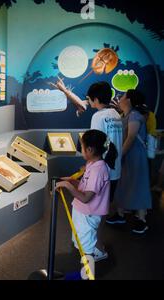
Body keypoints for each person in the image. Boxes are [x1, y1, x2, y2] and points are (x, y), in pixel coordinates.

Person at [57, 130, 118, 262]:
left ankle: (89, 266)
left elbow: (86, 198)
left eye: (82, 147)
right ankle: (95, 253)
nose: (82, 150)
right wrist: (71, 181)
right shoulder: (93, 164)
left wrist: (68, 186)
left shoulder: (98, 169)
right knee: (85, 239)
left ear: (89, 149)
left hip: (89, 213)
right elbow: (87, 185)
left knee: (86, 246)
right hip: (85, 212)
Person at [106, 89, 152, 234]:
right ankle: (120, 214)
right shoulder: (125, 115)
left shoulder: (134, 116)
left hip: (135, 156)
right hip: (127, 155)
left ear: (129, 100)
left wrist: (119, 156)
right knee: (123, 183)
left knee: (138, 184)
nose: (120, 98)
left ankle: (141, 219)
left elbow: (131, 138)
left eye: (123, 96)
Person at [87, 82, 123, 202]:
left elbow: (95, 143)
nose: (88, 101)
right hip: (115, 167)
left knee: (98, 203)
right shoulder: (116, 115)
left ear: (96, 99)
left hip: (102, 169)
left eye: (89, 99)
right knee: (107, 202)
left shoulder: (98, 117)